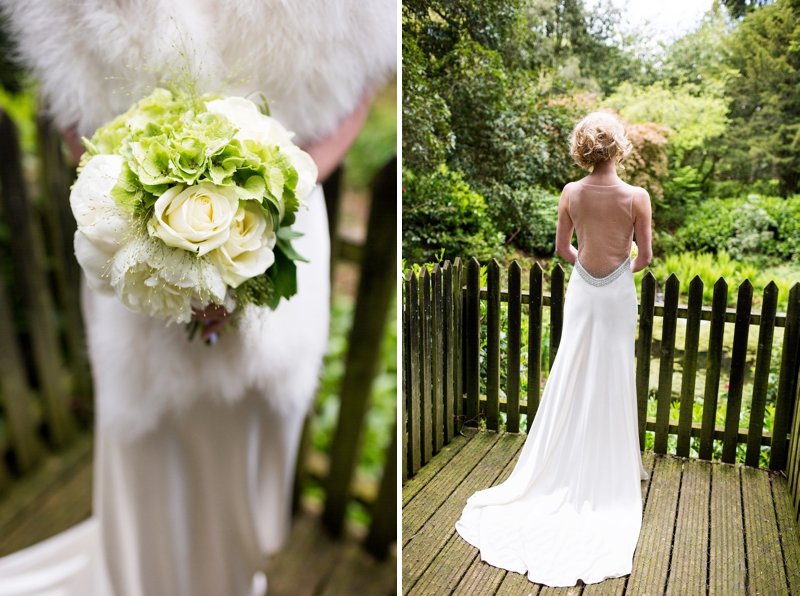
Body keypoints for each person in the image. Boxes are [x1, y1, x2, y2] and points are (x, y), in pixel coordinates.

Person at [0, 2, 395, 595]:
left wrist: (271, 196)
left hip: (276, 229)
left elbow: (366, 76)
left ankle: (235, 572)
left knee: (259, 427)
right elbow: (68, 103)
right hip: (131, 234)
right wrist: (145, 215)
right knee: (143, 438)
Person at [455, 111, 653, 587]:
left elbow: (562, 249)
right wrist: (618, 270)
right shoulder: (637, 197)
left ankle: (569, 459)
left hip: (583, 291)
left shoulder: (571, 193)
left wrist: (589, 269)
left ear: (583, 149)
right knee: (613, 374)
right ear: (620, 148)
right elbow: (644, 257)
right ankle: (614, 464)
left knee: (574, 371)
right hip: (617, 294)